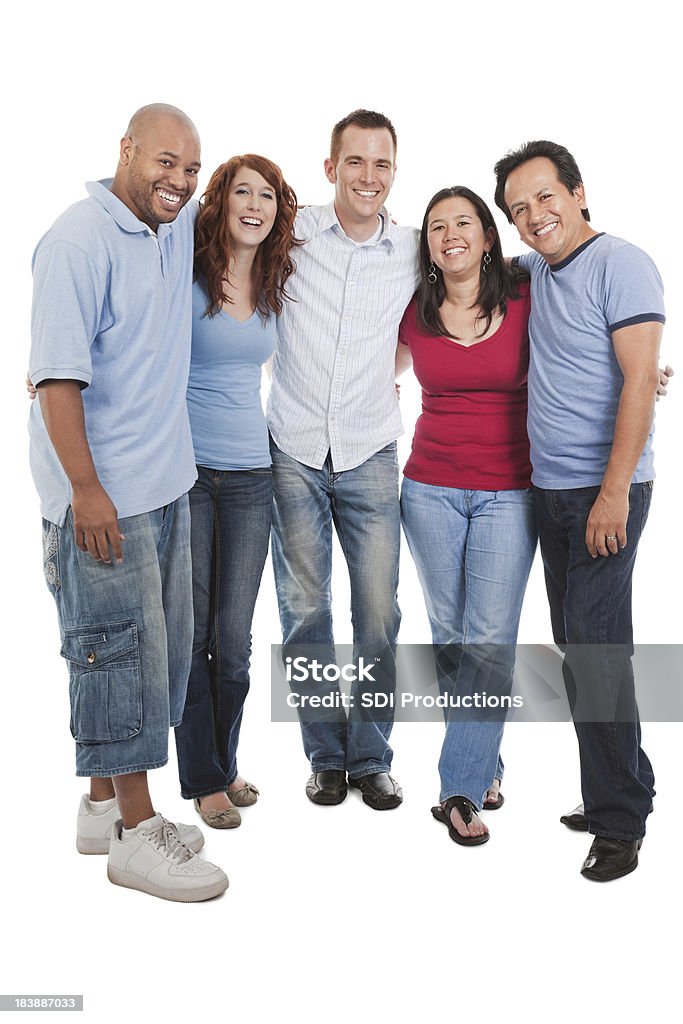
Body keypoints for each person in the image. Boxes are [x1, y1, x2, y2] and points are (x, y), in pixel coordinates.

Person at [28, 103, 228, 902]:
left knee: (164, 657)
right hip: (102, 500)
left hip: (166, 482)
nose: (178, 182)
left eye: (191, 169)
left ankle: (100, 805)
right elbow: (56, 380)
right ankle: (138, 837)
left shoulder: (167, 227)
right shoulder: (79, 240)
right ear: (126, 151)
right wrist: (85, 490)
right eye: (165, 163)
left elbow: (247, 202)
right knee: (118, 656)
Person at [494, 140, 665, 881]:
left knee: (595, 655)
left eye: (544, 197)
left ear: (578, 191)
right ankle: (626, 781)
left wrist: (610, 494)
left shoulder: (621, 262)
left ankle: (617, 821)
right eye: (518, 209)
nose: (534, 216)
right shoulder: (533, 272)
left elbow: (636, 384)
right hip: (547, 492)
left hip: (607, 494)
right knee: (580, 649)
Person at [267, 109, 419, 809]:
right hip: (292, 445)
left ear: (394, 171)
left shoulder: (416, 250)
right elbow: (205, 259)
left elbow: (482, 290)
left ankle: (370, 756)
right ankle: (325, 756)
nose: (368, 176)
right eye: (354, 162)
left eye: (381, 164)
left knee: (379, 612)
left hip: (369, 446)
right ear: (330, 169)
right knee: (303, 612)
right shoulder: (289, 231)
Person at [398, 187, 536, 845]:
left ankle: (455, 789)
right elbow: (365, 370)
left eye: (463, 223)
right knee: (453, 635)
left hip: (508, 491)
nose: (449, 234)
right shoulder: (414, 312)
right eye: (435, 227)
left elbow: (589, 342)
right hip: (426, 491)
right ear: (426, 245)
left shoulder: (525, 294)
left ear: (487, 235)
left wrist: (642, 367)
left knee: (486, 637)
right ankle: (484, 763)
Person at [174, 155, 299, 828]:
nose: (255, 204)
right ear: (219, 202)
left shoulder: (276, 278)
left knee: (236, 639)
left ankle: (222, 762)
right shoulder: (183, 271)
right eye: (241, 192)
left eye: (268, 196)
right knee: (193, 635)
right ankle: (205, 779)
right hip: (185, 473)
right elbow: (131, 332)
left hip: (253, 474)